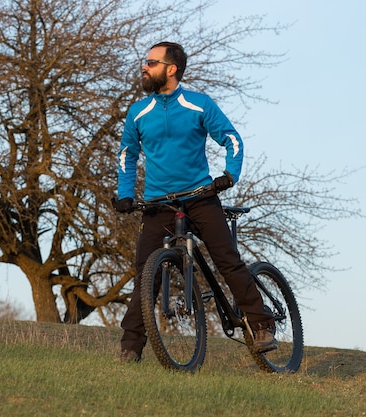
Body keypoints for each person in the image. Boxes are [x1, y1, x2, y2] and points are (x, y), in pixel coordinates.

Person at [113, 41, 277, 363]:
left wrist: (229, 175)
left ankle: (261, 324)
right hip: (157, 204)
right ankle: (131, 347)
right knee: (147, 273)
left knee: (227, 261)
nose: (144, 67)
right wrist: (125, 194)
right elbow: (127, 156)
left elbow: (231, 139)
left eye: (151, 62)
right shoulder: (138, 112)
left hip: (200, 197)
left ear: (170, 69)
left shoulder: (198, 104)